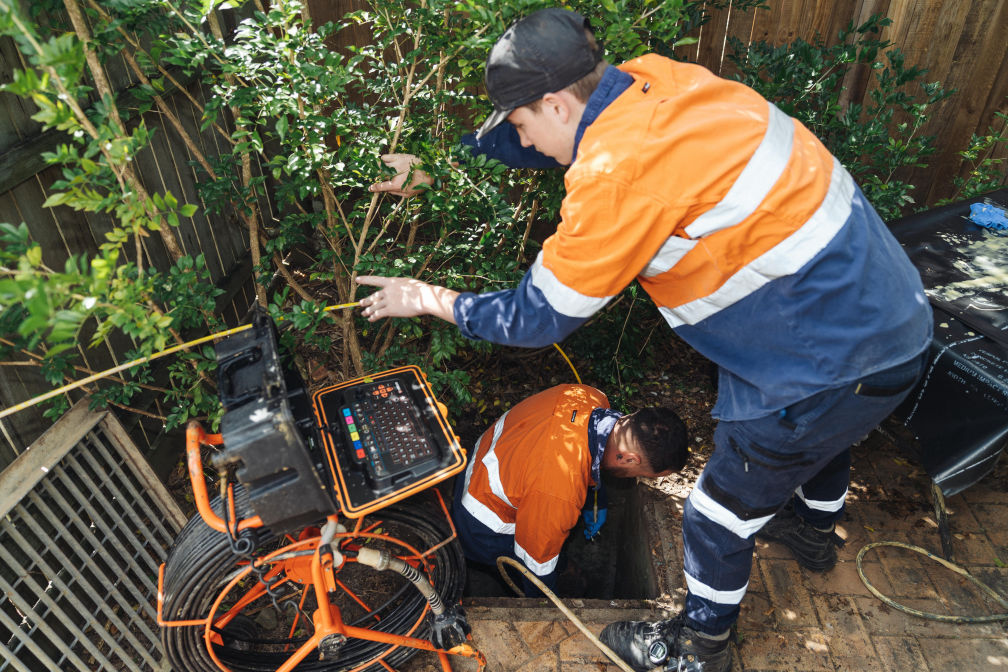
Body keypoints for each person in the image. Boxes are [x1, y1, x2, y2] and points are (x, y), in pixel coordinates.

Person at [357, 8, 932, 672]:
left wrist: (427, 298)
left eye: (520, 124)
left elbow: (537, 317)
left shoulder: (616, 173)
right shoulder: (660, 84)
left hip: (818, 360)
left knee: (715, 518)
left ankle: (698, 650)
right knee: (828, 437)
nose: (527, 146)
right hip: (895, 324)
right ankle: (813, 535)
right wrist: (430, 163)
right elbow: (560, 141)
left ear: (553, 102)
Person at [453, 383, 687, 597]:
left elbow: (594, 451)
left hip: (480, 464)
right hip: (482, 523)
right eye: (643, 474)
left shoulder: (591, 397)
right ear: (629, 460)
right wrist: (547, 608)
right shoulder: (559, 491)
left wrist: (599, 497)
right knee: (523, 574)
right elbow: (535, 565)